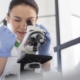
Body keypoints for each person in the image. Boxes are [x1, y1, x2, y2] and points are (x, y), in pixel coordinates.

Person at [0, 0, 53, 77]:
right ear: (8, 18)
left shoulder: (44, 45)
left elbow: (51, 77)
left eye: (29, 21)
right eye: (17, 20)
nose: (23, 26)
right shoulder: (1, 44)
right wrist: (2, 56)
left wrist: (45, 58)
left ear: (36, 20)